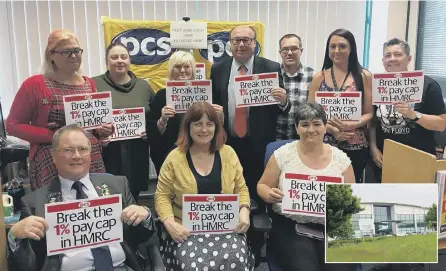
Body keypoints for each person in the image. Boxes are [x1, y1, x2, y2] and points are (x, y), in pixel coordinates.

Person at [7, 124, 156, 271]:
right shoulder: (35, 202)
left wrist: (146, 216)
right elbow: (26, 263)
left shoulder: (117, 185)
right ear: (53, 155)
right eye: (68, 150)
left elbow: (139, 238)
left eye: (83, 149)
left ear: (90, 153)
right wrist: (14, 236)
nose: (77, 156)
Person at [6, 29, 113, 190]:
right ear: (51, 55)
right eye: (66, 52)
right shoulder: (35, 84)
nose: (74, 56)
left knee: (92, 205)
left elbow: (90, 124)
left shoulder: (88, 83)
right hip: (51, 158)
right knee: (56, 209)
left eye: (77, 51)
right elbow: (13, 125)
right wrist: (56, 136)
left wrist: (102, 130)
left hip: (88, 156)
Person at [155, 102, 254, 270]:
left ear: (216, 128)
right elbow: (162, 195)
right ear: (188, 127)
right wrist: (170, 224)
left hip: (226, 229)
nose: (204, 129)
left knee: (235, 258)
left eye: (209, 124)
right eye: (198, 124)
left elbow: (241, 189)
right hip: (185, 230)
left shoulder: (228, 153)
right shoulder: (174, 157)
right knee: (194, 265)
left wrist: (244, 210)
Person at [257, 102, 354, 271]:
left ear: (325, 127)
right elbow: (262, 185)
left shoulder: (342, 160)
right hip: (292, 226)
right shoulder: (282, 154)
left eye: (317, 124)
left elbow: (352, 199)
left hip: (331, 227)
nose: (311, 130)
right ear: (297, 128)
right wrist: (269, 193)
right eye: (304, 125)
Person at [210, 25, 290, 206]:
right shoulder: (218, 69)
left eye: (246, 40)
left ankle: (258, 231)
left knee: (257, 190)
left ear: (255, 43)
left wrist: (283, 100)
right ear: (230, 44)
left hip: (259, 142)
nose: (241, 44)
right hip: (228, 141)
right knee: (229, 187)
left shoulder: (271, 67)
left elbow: (282, 108)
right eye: (236, 40)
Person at [369, 38, 446, 182]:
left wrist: (414, 115)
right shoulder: (377, 85)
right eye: (388, 55)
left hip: (418, 159)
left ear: (408, 58)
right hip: (385, 159)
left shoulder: (427, 85)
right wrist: (373, 148)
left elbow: (442, 124)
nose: (392, 59)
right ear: (383, 60)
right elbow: (373, 122)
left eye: (398, 54)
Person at [308, 28, 372, 183]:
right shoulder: (319, 77)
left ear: (351, 49)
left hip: (356, 146)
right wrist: (332, 130)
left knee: (350, 193)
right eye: (332, 46)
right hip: (324, 144)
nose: (337, 50)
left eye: (342, 46)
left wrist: (349, 125)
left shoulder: (364, 76)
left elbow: (369, 113)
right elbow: (310, 113)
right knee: (325, 189)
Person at [92, 42, 155, 198]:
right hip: (108, 152)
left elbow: (154, 116)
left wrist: (150, 132)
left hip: (137, 151)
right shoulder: (93, 84)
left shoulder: (144, 86)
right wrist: (97, 131)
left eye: (123, 57)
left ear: (129, 60)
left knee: (133, 197)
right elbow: (86, 118)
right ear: (107, 61)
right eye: (114, 57)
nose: (119, 60)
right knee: (108, 195)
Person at [147, 51, 223, 175]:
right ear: (171, 69)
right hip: (168, 154)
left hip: (202, 153)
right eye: (177, 67)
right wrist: (163, 120)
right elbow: (152, 133)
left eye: (187, 67)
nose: (182, 70)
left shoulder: (205, 94)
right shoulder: (161, 96)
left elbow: (217, 127)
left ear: (193, 69)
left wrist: (219, 115)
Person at [277, 34, 316, 140]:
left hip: (304, 139)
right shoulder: (272, 76)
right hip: (275, 139)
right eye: (285, 49)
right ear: (280, 52)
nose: (289, 53)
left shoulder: (314, 77)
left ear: (301, 51)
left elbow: (317, 111)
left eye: (294, 49)